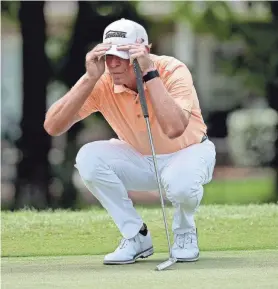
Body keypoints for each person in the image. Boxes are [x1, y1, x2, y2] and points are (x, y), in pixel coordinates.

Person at [44, 18, 216, 265]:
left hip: (189, 153)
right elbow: (53, 126)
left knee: (180, 183)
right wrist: (89, 79)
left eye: (121, 56)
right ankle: (136, 236)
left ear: (143, 51)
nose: (112, 64)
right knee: (88, 158)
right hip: (140, 159)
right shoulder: (101, 81)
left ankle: (185, 232)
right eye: (108, 56)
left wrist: (150, 74)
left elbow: (175, 128)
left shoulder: (172, 70)